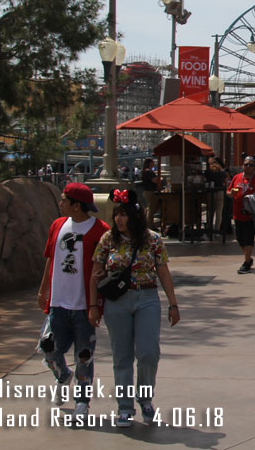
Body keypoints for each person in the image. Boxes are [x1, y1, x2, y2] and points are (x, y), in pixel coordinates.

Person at [89, 189, 178, 427]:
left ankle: (146, 398)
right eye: (116, 214)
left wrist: (173, 304)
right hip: (117, 302)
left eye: (124, 214)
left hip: (147, 297)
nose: (118, 219)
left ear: (135, 215)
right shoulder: (108, 239)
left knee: (149, 353)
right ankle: (124, 407)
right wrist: (93, 305)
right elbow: (95, 273)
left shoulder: (153, 239)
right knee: (122, 356)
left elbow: (163, 271)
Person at [37, 183, 110, 418]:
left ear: (76, 206)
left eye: (64, 200)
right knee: (48, 349)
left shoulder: (100, 230)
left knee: (84, 355)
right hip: (58, 303)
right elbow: (50, 259)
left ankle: (82, 401)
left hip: (83, 305)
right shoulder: (57, 226)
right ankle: (62, 375)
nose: (60, 204)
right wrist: (43, 291)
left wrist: (96, 304)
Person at [227, 156, 255, 274]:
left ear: (254, 167)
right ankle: (249, 259)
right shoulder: (237, 178)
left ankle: (246, 263)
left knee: (248, 239)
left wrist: (253, 199)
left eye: (251, 165)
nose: (248, 167)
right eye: (246, 164)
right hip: (237, 213)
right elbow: (228, 192)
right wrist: (232, 193)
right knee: (240, 240)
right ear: (242, 166)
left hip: (251, 215)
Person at [205, 157, 227, 239]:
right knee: (219, 212)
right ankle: (217, 230)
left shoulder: (208, 171)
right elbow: (225, 182)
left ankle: (209, 229)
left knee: (210, 212)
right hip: (220, 192)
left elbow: (205, 180)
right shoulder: (222, 172)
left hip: (210, 192)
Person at [140, 157, 159, 227]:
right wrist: (160, 179)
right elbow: (154, 180)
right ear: (150, 163)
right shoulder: (148, 172)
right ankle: (149, 225)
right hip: (150, 192)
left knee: (150, 208)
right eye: (153, 162)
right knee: (151, 209)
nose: (154, 163)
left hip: (147, 191)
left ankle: (146, 221)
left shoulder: (145, 171)